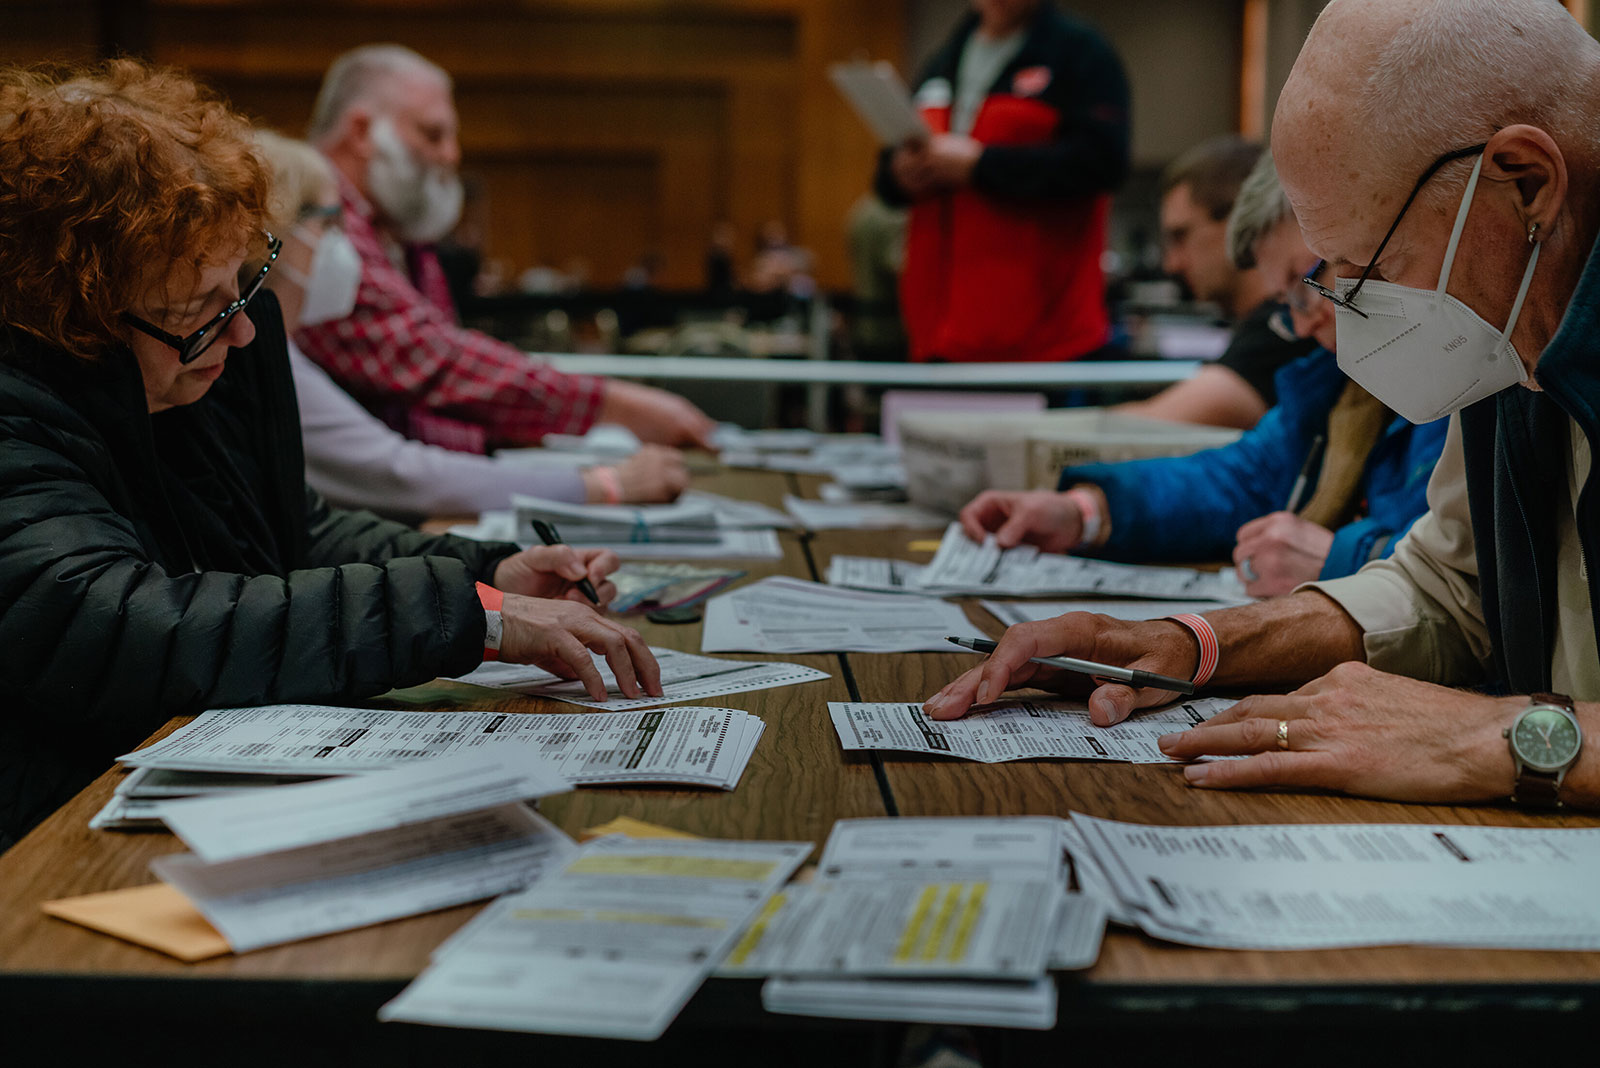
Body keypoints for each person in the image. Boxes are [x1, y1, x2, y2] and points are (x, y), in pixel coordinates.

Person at [925, 0, 1600, 811]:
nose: (1346, 322)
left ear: (1525, 184)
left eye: (1367, 272)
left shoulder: (1506, 302)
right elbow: (1450, 590)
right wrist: (1187, 644)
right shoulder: (1514, 319)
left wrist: (1497, 740)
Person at [0, 61, 661, 850]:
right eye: (197, 309)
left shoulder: (171, 376)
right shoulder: (24, 414)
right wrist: (466, 616)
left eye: (240, 288)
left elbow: (292, 534)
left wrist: (486, 571)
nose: (239, 330)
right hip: (48, 839)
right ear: (77, 318)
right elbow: (127, 626)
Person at [958, 151, 1448, 597]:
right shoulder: (1336, 384)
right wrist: (1086, 514)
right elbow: (1242, 478)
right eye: (1286, 303)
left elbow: (1467, 576)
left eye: (1305, 289)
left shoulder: (1460, 383)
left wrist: (1343, 560)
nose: (1301, 324)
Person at [298, 44, 716, 455]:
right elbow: (433, 364)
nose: (451, 154)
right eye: (433, 133)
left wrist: (510, 443)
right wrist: (615, 407)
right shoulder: (315, 217)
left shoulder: (398, 236)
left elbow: (420, 413)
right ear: (360, 132)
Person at [253, 131, 689, 521]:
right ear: (278, 234)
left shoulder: (277, 346)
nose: (345, 249)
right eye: (330, 225)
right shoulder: (251, 347)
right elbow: (401, 473)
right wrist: (603, 484)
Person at [875, 0, 1130, 363]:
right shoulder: (944, 59)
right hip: (936, 337)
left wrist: (981, 165)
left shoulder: (1081, 53)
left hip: (1042, 341)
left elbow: (1103, 162)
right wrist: (899, 172)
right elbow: (886, 180)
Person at [1116, 136, 1317, 429]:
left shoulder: (1285, 328)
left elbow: (1153, 426)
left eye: (1181, 235)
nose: (1172, 263)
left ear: (1238, 220)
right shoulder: (1273, 325)